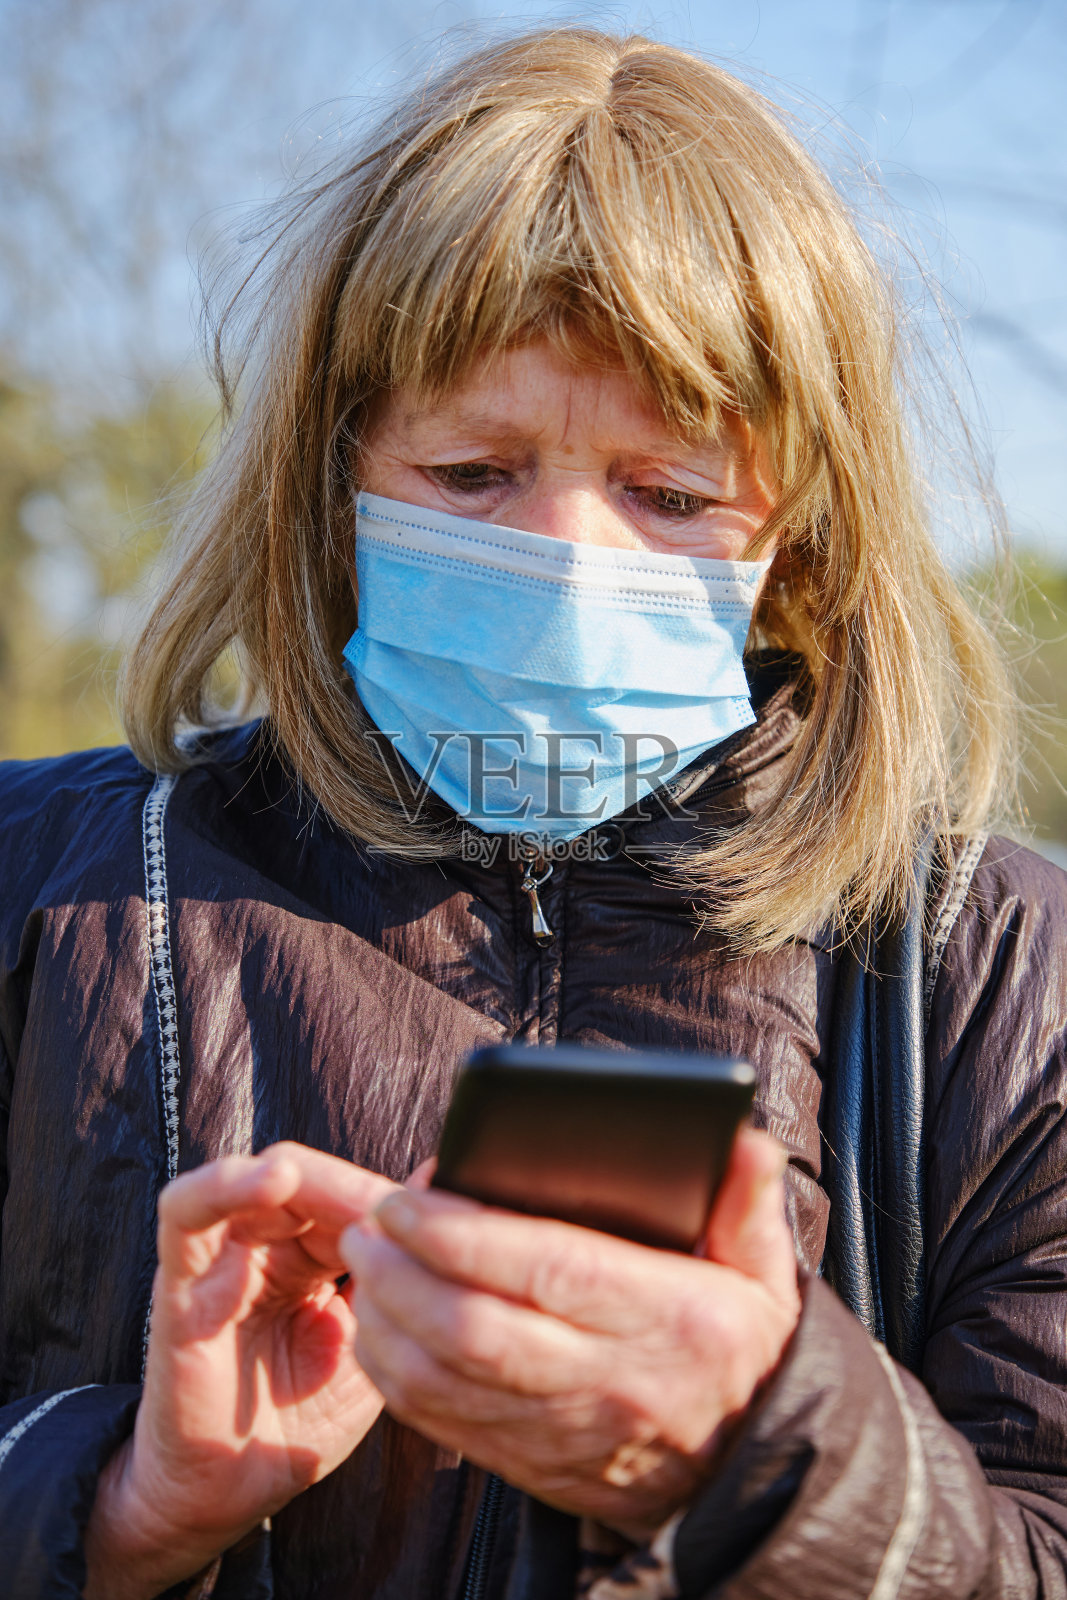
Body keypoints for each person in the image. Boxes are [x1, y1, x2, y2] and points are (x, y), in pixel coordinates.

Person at [1, 25, 1065, 1600]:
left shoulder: (1004, 979)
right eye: (477, 470)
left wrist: (768, 1458)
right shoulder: (48, 888)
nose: (573, 560)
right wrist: (115, 1508)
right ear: (333, 478)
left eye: (674, 493)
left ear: (807, 536)